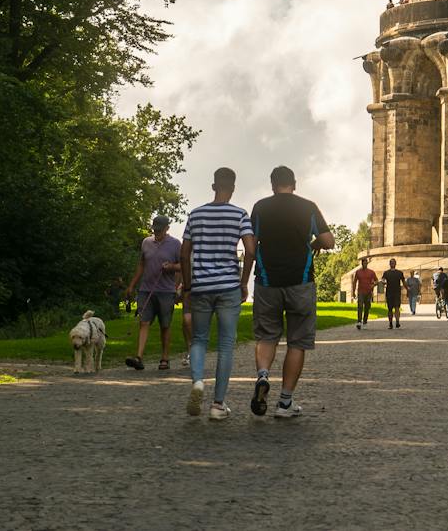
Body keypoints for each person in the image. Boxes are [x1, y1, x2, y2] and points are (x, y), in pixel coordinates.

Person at [249, 165, 334, 419]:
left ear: (272, 184)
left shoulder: (260, 207)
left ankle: (263, 375)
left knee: (267, 336)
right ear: (294, 184)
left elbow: (251, 246)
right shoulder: (308, 206)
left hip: (267, 281)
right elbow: (329, 241)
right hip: (300, 281)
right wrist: (315, 242)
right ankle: (285, 402)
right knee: (297, 342)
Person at [180, 167, 255, 420]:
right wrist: (244, 282)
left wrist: (188, 287)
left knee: (199, 339)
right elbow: (251, 250)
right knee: (225, 345)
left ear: (213, 186)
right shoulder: (240, 214)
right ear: (232, 188)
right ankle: (218, 404)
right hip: (228, 287)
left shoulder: (196, 215)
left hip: (201, 286)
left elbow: (183, 253)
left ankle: (198, 381)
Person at [125, 215, 182, 371]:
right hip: (146, 290)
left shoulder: (176, 244)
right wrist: (131, 285)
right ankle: (139, 358)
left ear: (167, 228)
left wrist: (171, 267)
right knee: (143, 322)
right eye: (155, 230)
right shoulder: (146, 242)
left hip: (166, 291)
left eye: (160, 230)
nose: (157, 232)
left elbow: (183, 266)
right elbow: (141, 265)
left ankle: (165, 358)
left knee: (165, 325)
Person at [353, 256, 378, 330]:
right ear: (362, 264)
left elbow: (377, 281)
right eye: (364, 263)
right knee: (360, 306)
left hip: (368, 292)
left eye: (366, 263)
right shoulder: (358, 272)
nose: (365, 264)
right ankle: (359, 321)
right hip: (361, 291)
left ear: (367, 263)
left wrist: (373, 285)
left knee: (367, 307)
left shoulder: (371, 272)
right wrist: (353, 292)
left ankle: (365, 321)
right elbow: (355, 282)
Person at [381, 258, 405, 330]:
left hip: (397, 292)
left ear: (395, 264)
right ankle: (390, 323)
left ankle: (397, 322)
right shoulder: (386, 273)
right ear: (389, 264)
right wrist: (383, 282)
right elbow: (383, 279)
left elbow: (403, 281)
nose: (392, 264)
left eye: (393, 263)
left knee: (397, 307)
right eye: (391, 263)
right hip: (389, 293)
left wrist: (407, 289)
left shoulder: (399, 273)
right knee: (390, 309)